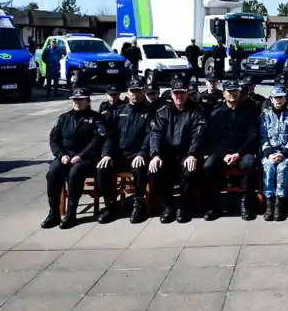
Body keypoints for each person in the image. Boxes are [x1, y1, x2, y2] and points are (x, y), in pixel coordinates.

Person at [42, 88, 106, 229]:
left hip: (86, 158)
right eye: (75, 100)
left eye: (81, 99)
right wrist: (61, 155)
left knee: (75, 174)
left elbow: (97, 141)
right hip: (65, 156)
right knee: (52, 173)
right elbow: (54, 140)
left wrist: (81, 156)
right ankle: (54, 213)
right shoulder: (64, 118)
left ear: (88, 101)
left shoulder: (96, 118)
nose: (77, 102)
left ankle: (71, 215)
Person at [148, 76, 206, 224]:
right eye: (176, 93)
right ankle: (167, 206)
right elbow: (155, 134)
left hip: (187, 154)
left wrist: (192, 154)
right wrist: (155, 155)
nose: (178, 96)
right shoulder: (162, 112)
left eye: (181, 92)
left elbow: (198, 135)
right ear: (171, 94)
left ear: (187, 93)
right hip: (167, 155)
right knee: (154, 170)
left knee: (190, 169)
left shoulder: (196, 111)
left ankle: (184, 207)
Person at [95, 78, 153, 224]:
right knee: (102, 168)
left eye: (138, 91)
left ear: (143, 92)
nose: (135, 94)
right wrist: (107, 154)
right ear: (127, 93)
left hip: (138, 154)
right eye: (132, 91)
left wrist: (142, 153)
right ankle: (111, 206)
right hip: (120, 154)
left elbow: (150, 135)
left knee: (140, 167)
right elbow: (111, 136)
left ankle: (138, 205)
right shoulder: (119, 112)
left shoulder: (150, 112)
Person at [202, 80, 260, 221]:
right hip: (222, 153)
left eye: (235, 91)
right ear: (224, 94)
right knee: (208, 167)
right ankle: (214, 206)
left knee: (249, 164)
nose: (233, 94)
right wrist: (224, 155)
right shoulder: (216, 114)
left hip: (243, 151)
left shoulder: (249, 112)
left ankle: (246, 204)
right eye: (229, 91)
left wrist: (238, 154)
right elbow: (212, 139)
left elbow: (253, 136)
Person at [260, 85, 288, 221]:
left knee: (282, 168)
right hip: (269, 154)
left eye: (281, 97)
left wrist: (283, 153)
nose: (278, 100)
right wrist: (269, 154)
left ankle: (280, 204)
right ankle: (269, 204)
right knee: (269, 167)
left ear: (285, 99)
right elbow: (263, 137)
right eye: (276, 97)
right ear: (271, 99)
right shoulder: (265, 117)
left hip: (286, 154)